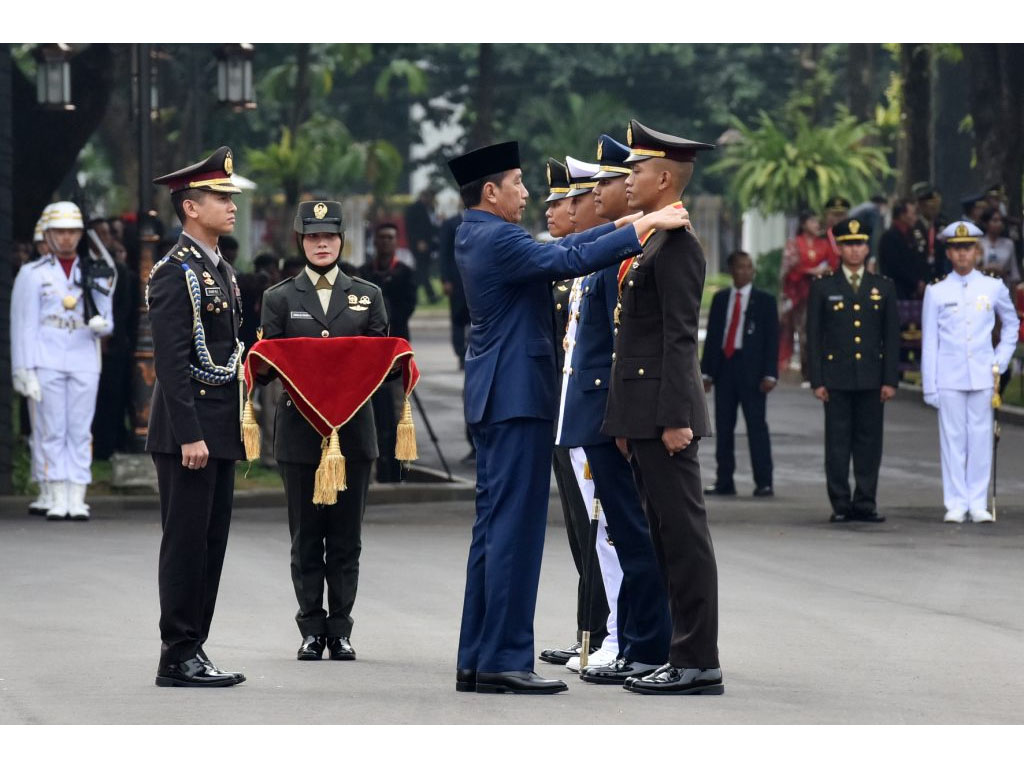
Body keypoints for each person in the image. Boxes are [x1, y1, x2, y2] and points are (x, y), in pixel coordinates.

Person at [447, 139, 689, 695]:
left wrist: (633, 220)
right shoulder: (498, 237)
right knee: (515, 533)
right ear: (491, 191)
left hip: (496, 397)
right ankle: (505, 659)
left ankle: (478, 656)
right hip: (517, 398)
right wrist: (645, 225)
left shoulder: (475, 233)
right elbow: (567, 258)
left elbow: (571, 243)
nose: (527, 193)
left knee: (491, 531)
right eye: (517, 184)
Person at [601, 119, 722, 696]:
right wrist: (627, 421)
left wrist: (676, 417)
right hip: (644, 414)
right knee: (663, 535)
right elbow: (635, 339)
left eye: (638, 170)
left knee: (683, 537)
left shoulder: (678, 247)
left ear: (665, 178)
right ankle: (681, 653)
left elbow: (678, 339)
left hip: (665, 415)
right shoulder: (650, 240)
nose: (629, 180)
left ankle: (699, 660)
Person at [559, 137, 673, 686]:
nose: (606, 190)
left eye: (606, 183)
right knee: (622, 536)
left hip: (611, 417)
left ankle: (644, 643)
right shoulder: (608, 251)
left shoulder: (625, 253)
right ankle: (631, 641)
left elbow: (618, 348)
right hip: (594, 417)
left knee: (630, 533)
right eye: (602, 182)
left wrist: (619, 419)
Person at [259, 201, 386, 660]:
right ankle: (311, 628)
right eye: (313, 237)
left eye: (329, 236)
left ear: (340, 240)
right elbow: (268, 365)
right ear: (301, 241)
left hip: (353, 432)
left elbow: (382, 365)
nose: (322, 243)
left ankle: (342, 628)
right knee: (306, 536)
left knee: (347, 537)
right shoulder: (279, 298)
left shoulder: (366, 295)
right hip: (301, 432)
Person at [146, 146, 246, 687]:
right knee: (185, 542)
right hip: (188, 432)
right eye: (220, 197)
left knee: (212, 541)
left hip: (219, 427)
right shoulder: (173, 272)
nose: (231, 206)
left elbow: (226, 352)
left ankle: (195, 647)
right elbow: (171, 362)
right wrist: (189, 434)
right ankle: (176, 653)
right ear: (190, 207)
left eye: (231, 197)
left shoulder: (221, 270)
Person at [538, 156, 610, 669]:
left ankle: (602, 632)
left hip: (589, 414)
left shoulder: (588, 267)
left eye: (561, 202)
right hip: (563, 413)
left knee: (597, 529)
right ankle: (589, 630)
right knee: (578, 531)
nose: (551, 211)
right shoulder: (563, 267)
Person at [11, 201, 115, 521]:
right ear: (49, 234)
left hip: (84, 354)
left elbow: (106, 317)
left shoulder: (93, 269)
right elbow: (23, 323)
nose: (67, 238)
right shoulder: (32, 274)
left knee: (80, 430)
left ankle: (77, 495)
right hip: (47, 357)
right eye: (60, 232)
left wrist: (102, 324)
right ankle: (56, 494)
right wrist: (23, 368)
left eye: (72, 232)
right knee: (52, 429)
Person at [922, 222, 1019, 523]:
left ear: (976, 252)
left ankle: (977, 502)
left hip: (982, 374)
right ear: (949, 253)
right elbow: (929, 341)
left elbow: (1012, 324)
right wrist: (929, 385)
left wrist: (1000, 361)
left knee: (980, 438)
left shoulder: (992, 286)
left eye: (968, 249)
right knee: (952, 439)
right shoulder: (937, 291)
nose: (963, 255)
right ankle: (955, 502)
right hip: (948, 375)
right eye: (957, 249)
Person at [806, 217, 900, 524]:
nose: (855, 251)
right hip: (837, 378)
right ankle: (841, 503)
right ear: (840, 248)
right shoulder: (823, 287)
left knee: (869, 444)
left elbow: (892, 337)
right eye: (849, 245)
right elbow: (814, 338)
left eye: (859, 244)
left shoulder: (883, 287)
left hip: (872, 377)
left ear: (867, 247)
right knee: (837, 444)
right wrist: (817, 379)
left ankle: (866, 502)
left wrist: (890, 379)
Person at [701, 250, 779, 497]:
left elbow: (772, 340)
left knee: (756, 426)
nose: (745, 271)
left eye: (748, 267)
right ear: (731, 270)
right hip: (725, 368)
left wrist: (770, 373)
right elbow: (713, 337)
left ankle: (763, 481)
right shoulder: (721, 299)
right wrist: (706, 373)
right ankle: (725, 480)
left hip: (753, 372)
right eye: (739, 267)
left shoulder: (765, 301)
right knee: (724, 427)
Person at [358, 221, 417, 482]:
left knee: (397, 410)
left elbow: (406, 310)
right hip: (368, 354)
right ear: (374, 241)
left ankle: (395, 468)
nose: (385, 243)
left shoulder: (405, 273)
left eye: (390, 238)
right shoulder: (363, 274)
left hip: (396, 351)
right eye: (381, 238)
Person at [779, 211, 832, 382]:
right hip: (798, 295)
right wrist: (811, 271)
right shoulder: (794, 244)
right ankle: (802, 370)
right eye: (813, 221)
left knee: (817, 332)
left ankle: (816, 371)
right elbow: (788, 269)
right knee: (798, 333)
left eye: (818, 221)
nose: (817, 225)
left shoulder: (825, 244)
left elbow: (833, 264)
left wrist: (824, 271)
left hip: (820, 294)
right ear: (803, 224)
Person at [878, 198, 928, 301]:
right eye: (913, 214)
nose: (915, 217)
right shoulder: (889, 237)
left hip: (915, 293)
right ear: (902, 215)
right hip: (897, 293)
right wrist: (915, 282)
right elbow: (896, 266)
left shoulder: (913, 235)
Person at [405, 188, 439, 304]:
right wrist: (418, 241)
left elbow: (430, 227)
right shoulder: (414, 209)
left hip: (428, 244)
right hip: (419, 244)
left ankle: (410, 294)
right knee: (422, 271)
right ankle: (431, 295)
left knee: (420, 272)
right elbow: (411, 228)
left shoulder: (429, 209)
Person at [912, 182, 949, 279]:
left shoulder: (942, 224)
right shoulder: (914, 226)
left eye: (936, 207)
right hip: (920, 275)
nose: (934, 210)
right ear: (921, 206)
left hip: (939, 274)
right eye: (931, 207)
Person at [978, 208, 1020, 290]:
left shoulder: (1008, 244)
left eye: (1001, 221)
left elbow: (1014, 272)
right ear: (986, 223)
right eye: (995, 220)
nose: (999, 224)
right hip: (982, 287)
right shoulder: (979, 243)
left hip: (1003, 286)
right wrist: (987, 269)